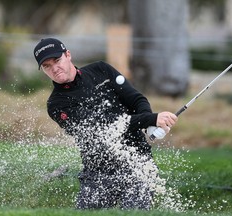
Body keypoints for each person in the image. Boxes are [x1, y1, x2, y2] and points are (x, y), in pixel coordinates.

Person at [33, 38, 178, 210]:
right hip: (98, 171)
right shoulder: (57, 105)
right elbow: (103, 128)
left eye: (57, 60)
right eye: (47, 66)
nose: (54, 68)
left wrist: (149, 124)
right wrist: (150, 119)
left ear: (68, 55)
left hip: (138, 162)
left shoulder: (101, 69)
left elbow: (136, 99)